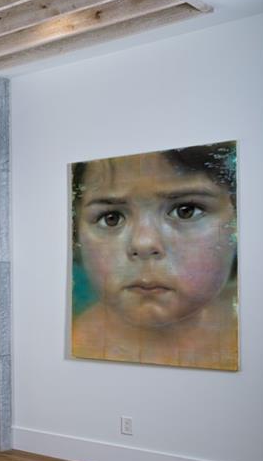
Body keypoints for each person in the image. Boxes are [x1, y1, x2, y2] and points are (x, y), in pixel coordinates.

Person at [71, 141, 238, 371]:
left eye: (186, 210)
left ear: (237, 223)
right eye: (111, 218)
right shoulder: (74, 345)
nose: (143, 243)